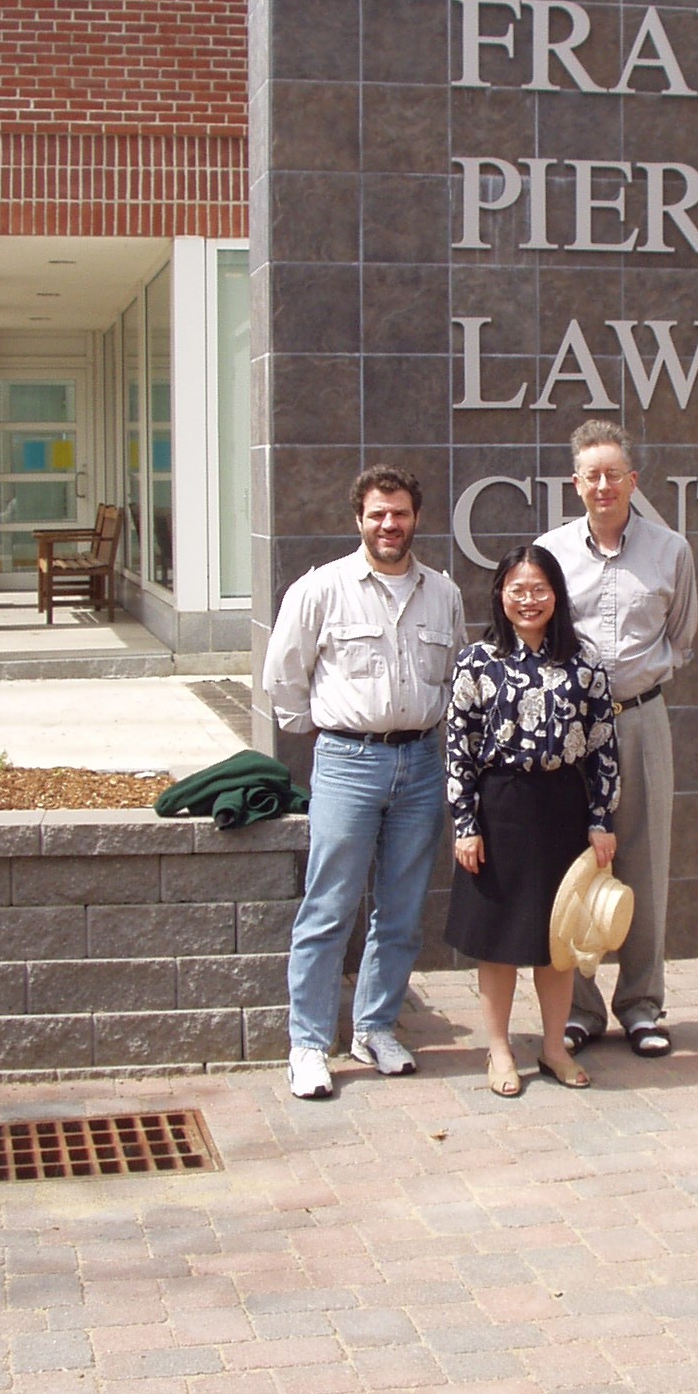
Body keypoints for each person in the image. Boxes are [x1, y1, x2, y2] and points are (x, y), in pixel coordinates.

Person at [263, 463, 466, 1100]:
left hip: (421, 765)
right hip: (349, 762)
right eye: (378, 513)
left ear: (416, 519)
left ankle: (375, 1027)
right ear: (359, 519)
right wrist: (328, 732)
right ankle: (307, 1044)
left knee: (402, 911)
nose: (389, 524)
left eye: (400, 513)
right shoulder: (320, 589)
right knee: (329, 908)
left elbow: (457, 675)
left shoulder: (444, 593)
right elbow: (284, 678)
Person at [538, 420, 697, 1058]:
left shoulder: (670, 551)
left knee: (644, 861)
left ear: (633, 480)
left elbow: (680, 637)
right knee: (572, 864)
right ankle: (580, 1009)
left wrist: (630, 691)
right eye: (591, 475)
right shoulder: (550, 551)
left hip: (640, 720)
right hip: (571, 729)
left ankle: (642, 1005)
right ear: (576, 484)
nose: (603, 485)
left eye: (614, 474)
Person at [445, 544, 619, 1096]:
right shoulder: (478, 661)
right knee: (500, 940)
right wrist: (464, 824)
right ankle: (498, 1049)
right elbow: (459, 747)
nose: (528, 600)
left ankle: (551, 1047)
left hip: (564, 808)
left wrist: (601, 818)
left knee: (557, 938)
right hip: (501, 808)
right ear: (500, 595)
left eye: (539, 589)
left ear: (557, 596)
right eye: (517, 590)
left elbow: (601, 746)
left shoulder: (583, 660)